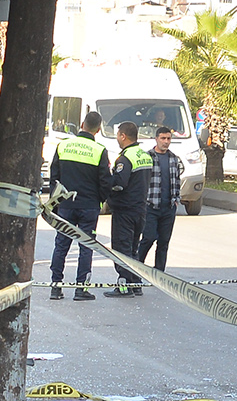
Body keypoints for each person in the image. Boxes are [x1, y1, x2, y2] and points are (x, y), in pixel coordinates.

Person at [48, 111, 113, 300]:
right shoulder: (99, 150)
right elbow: (105, 182)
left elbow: (54, 176)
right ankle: (81, 289)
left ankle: (55, 287)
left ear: (82, 124)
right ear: (98, 130)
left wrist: (57, 200)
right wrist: (99, 200)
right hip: (89, 206)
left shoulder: (63, 146)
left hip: (66, 205)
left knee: (61, 245)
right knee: (86, 247)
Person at [106, 121, 151, 295]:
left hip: (124, 210)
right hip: (140, 209)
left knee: (121, 249)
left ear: (123, 136)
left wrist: (108, 187)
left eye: (118, 135)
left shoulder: (125, 158)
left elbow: (119, 184)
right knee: (133, 248)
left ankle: (124, 285)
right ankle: (135, 284)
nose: (117, 138)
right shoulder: (145, 155)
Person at [141, 126, 185, 272]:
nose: (166, 142)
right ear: (156, 139)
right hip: (151, 206)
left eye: (168, 139)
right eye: (163, 138)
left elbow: (177, 180)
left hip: (168, 207)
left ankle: (159, 272)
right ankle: (136, 267)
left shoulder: (173, 158)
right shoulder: (148, 157)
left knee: (164, 242)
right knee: (148, 238)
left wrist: (176, 198)